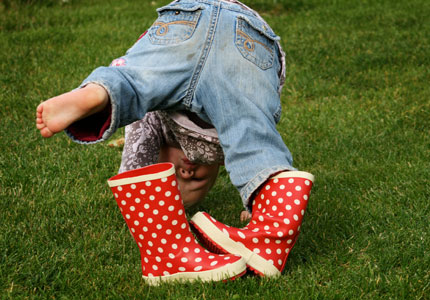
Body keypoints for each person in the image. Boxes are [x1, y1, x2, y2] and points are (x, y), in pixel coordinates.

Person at [36, 0, 314, 281]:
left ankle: (104, 90)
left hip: (184, 23)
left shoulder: (154, 118)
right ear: (221, 168)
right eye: (194, 181)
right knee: (251, 133)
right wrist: (254, 204)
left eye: (171, 177)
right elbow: (252, 152)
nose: (185, 171)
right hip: (247, 38)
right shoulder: (226, 142)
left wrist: (149, 219)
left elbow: (135, 164)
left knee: (137, 83)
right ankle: (267, 228)